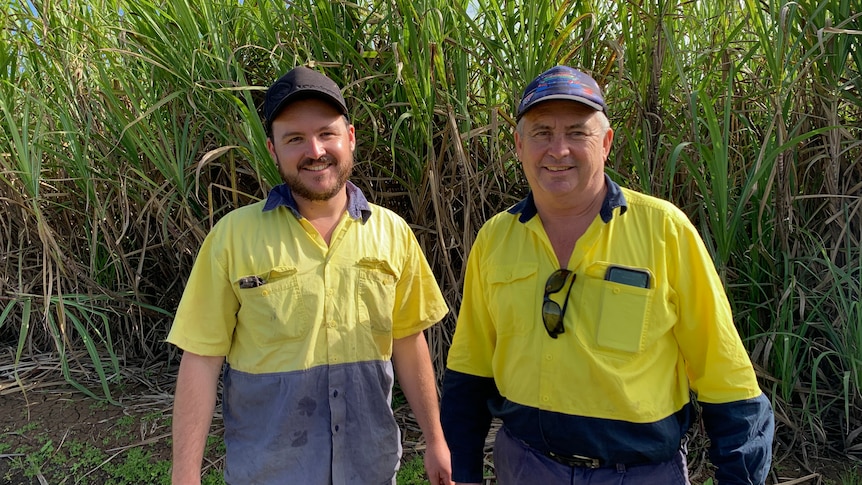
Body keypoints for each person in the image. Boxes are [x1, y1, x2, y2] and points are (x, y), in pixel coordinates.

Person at [440, 65, 774, 485]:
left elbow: (728, 381)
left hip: (640, 474)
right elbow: (470, 374)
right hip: (524, 466)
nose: (558, 150)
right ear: (519, 145)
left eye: (578, 133)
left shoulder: (665, 232)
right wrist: (464, 474)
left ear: (607, 143)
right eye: (542, 132)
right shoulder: (495, 238)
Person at [167, 65, 453, 485]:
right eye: (295, 138)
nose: (315, 150)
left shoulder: (392, 233)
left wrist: (435, 440)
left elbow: (409, 342)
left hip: (369, 469)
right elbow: (201, 359)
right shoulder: (232, 237)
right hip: (269, 473)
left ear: (350, 138)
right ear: (272, 149)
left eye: (326, 133)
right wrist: (185, 473)